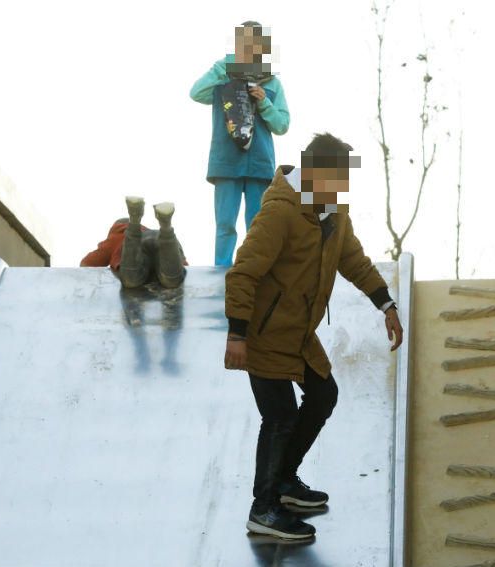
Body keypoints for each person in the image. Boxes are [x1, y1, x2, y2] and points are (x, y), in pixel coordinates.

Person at [223, 132, 405, 540]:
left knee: (324, 394)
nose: (342, 189)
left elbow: (352, 259)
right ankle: (264, 508)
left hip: (299, 334)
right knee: (280, 416)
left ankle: (285, 481)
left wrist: (386, 305)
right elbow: (243, 272)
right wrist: (237, 334)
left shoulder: (333, 211)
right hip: (265, 333)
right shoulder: (281, 212)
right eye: (336, 179)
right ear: (312, 174)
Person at [190, 20, 290, 267]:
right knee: (224, 223)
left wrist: (264, 101)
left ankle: (252, 269)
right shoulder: (223, 74)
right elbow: (196, 93)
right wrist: (222, 68)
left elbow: (282, 125)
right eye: (243, 43)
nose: (249, 49)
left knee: (257, 224)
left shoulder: (272, 83)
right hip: (226, 161)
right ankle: (221, 270)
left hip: (259, 163)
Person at [80, 197, 186, 289]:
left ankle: (134, 220)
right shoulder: (148, 230)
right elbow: (183, 265)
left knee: (131, 280)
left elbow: (87, 263)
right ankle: (166, 226)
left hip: (138, 245)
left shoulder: (116, 235)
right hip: (159, 238)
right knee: (172, 280)